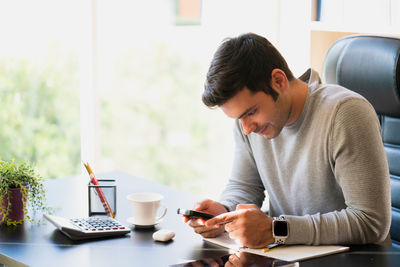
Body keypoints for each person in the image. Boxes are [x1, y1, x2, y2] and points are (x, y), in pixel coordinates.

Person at [183, 33, 391, 248]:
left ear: (279, 81)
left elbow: (370, 222)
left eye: (252, 112)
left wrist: (276, 230)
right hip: (289, 256)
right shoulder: (249, 124)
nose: (247, 128)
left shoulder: (345, 113)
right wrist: (224, 213)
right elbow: (244, 185)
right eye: (239, 118)